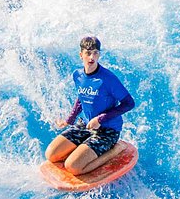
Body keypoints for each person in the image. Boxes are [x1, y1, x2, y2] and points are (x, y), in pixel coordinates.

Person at [45, 35, 136, 176]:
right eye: (88, 53)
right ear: (81, 55)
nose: (92, 57)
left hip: (107, 131)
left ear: (99, 54)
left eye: (95, 53)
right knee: (51, 154)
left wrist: (100, 119)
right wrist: (69, 120)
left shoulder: (108, 79)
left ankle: (114, 150)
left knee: (73, 167)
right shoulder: (77, 75)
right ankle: (83, 150)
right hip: (85, 125)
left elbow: (129, 103)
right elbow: (81, 98)